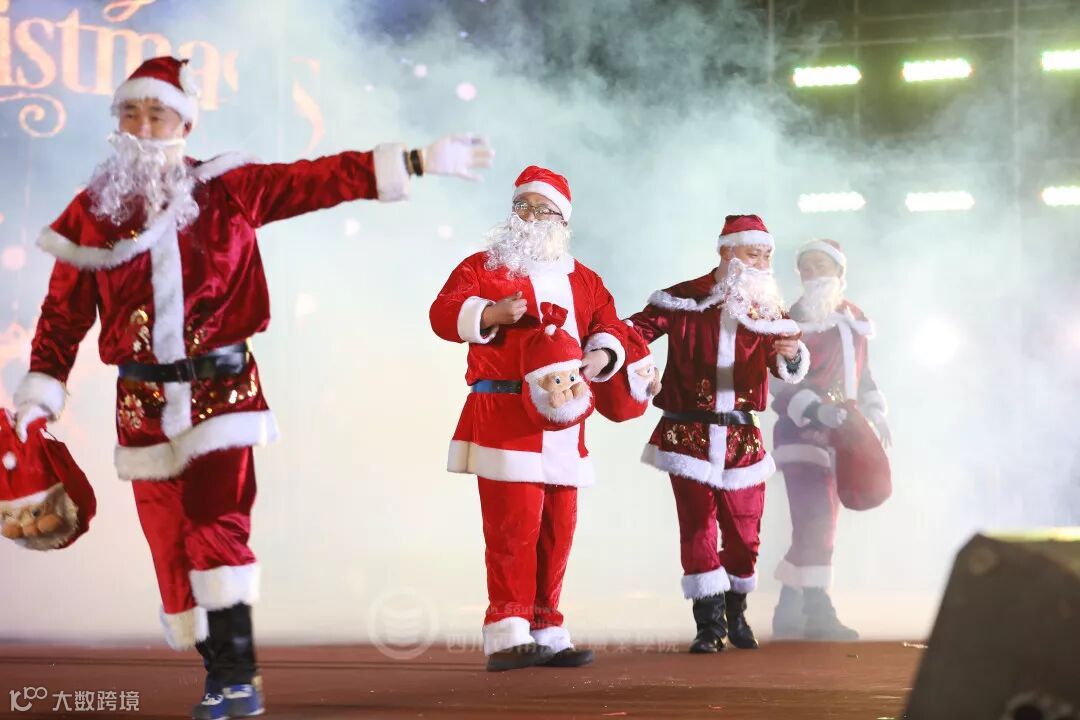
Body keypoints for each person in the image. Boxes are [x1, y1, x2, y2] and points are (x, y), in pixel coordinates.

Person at [12, 56, 493, 719]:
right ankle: (219, 666)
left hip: (223, 395)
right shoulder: (91, 211)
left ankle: (235, 679)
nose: (142, 126)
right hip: (141, 407)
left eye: (157, 114)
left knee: (217, 530)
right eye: (131, 113)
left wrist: (414, 161)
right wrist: (40, 395)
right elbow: (62, 316)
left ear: (184, 124)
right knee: (172, 551)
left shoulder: (227, 187)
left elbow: (317, 180)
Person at [430, 165, 626, 671]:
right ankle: (507, 631)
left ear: (563, 220)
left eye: (543, 210)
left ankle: (546, 625)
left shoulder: (584, 279)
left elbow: (609, 325)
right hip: (505, 418)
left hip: (565, 420)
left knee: (557, 529)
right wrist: (490, 314)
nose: (530, 217)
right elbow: (442, 313)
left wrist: (602, 354)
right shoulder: (484, 267)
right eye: (523, 207)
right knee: (512, 528)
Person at [627, 214, 809, 653]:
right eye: (753, 253)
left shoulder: (770, 309)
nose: (762, 262)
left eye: (766, 255)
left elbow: (785, 366)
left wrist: (791, 355)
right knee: (697, 529)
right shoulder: (682, 299)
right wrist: (638, 366)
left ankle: (736, 611)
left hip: (742, 438)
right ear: (727, 253)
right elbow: (631, 333)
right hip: (687, 433)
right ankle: (709, 624)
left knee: (745, 535)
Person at [770, 238, 890, 641]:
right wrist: (813, 409)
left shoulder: (854, 318)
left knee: (818, 520)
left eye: (821, 265)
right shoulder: (788, 320)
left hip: (843, 432)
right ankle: (817, 609)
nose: (812, 273)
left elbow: (863, 374)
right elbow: (776, 380)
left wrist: (875, 411)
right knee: (817, 517)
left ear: (839, 271)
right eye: (806, 267)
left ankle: (789, 608)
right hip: (800, 429)